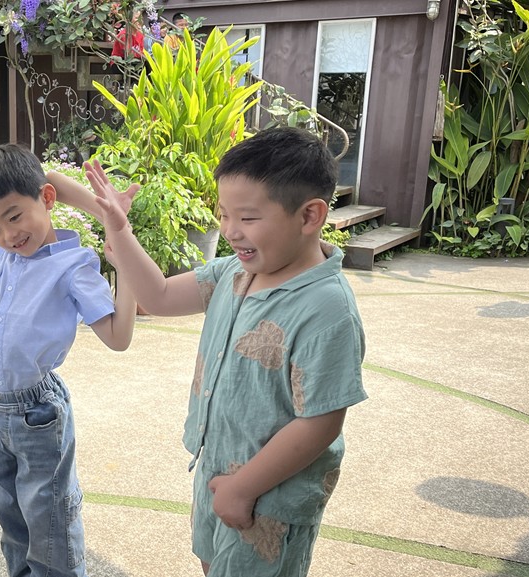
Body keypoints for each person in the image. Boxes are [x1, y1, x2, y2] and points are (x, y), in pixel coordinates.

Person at [83, 126, 367, 576]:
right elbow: (157, 296)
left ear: (310, 215)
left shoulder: (326, 308)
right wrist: (120, 229)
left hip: (270, 495)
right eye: (224, 214)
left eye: (248, 218)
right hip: (217, 467)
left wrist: (243, 488)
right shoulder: (234, 271)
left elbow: (320, 421)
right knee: (213, 563)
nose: (231, 231)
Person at [0, 144, 136, 577]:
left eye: (14, 217)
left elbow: (119, 337)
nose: (8, 235)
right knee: (12, 521)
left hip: (36, 414)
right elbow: (47, 179)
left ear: (46, 201)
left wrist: (120, 238)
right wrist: (101, 209)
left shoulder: (73, 266)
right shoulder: (10, 249)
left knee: (50, 527)